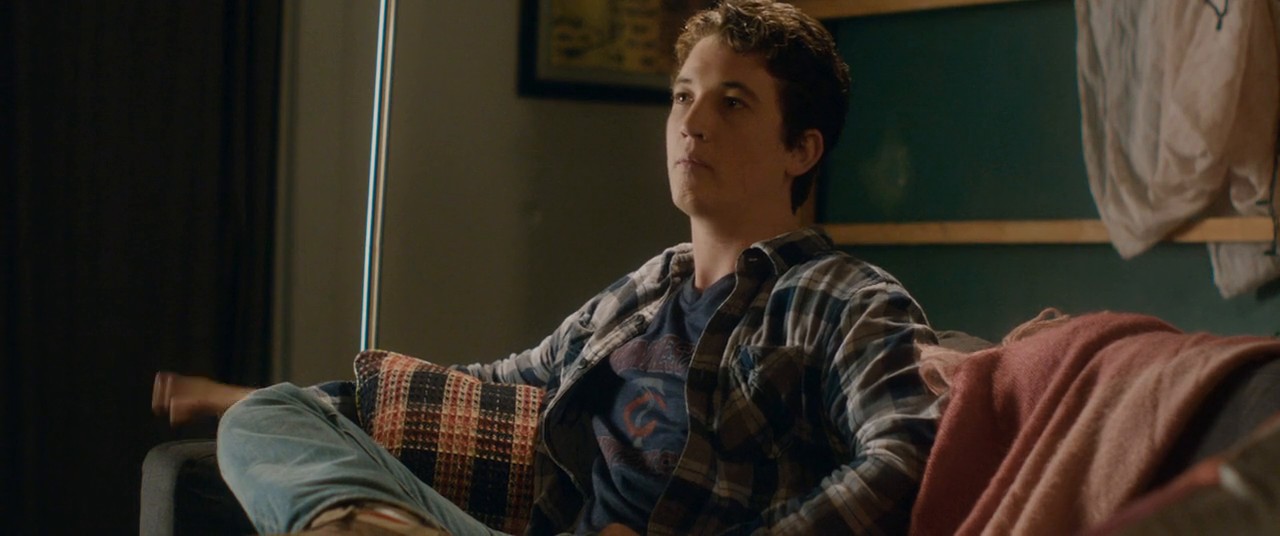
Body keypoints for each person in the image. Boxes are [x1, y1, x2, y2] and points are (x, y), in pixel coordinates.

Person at [154, 1, 939, 534]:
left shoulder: (844, 299)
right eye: (681, 96)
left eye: (731, 103)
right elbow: (496, 386)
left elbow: (907, 452)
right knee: (269, 419)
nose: (691, 123)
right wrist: (267, 401)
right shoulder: (646, 292)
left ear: (802, 149)